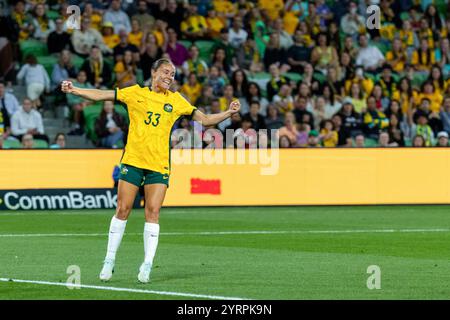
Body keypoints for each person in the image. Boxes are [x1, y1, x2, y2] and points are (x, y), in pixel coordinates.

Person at [61, 58, 240, 283]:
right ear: (153, 72)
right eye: (165, 72)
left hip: (158, 165)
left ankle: (146, 265)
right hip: (134, 161)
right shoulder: (134, 93)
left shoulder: (176, 100)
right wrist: (75, 90)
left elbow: (204, 120)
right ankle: (109, 260)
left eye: (172, 74)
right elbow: (102, 94)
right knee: (123, 209)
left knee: (153, 212)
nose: (169, 77)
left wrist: (228, 112)